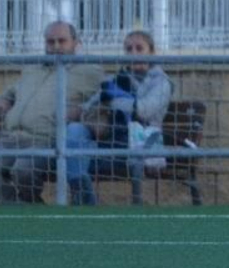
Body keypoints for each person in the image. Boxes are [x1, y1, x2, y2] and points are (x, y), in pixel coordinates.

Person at [0, 20, 105, 203]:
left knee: (23, 170)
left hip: (47, 140)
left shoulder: (89, 71)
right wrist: (1, 101)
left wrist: (81, 112)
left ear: (76, 43)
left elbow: (103, 102)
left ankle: (31, 208)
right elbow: (9, 93)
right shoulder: (33, 69)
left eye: (61, 41)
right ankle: (18, 208)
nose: (55, 47)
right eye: (50, 42)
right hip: (12, 138)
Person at [63, 29, 175, 206]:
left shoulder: (161, 82)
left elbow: (144, 111)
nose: (133, 53)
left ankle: (82, 197)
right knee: (74, 131)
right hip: (109, 139)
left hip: (141, 143)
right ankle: (83, 196)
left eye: (139, 48)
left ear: (151, 52)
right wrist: (80, 111)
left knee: (78, 158)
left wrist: (114, 99)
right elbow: (88, 107)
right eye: (129, 49)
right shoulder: (117, 79)